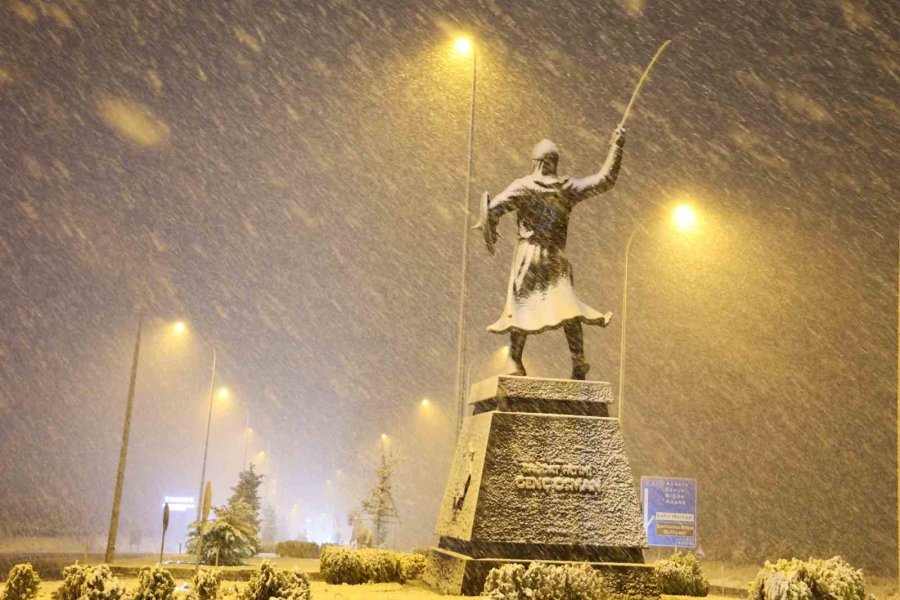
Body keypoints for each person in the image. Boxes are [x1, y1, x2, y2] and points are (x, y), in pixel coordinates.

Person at [475, 126, 625, 380]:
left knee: (521, 306)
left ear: (536, 162)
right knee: (569, 308)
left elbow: (493, 210)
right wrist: (617, 147)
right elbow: (605, 180)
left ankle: (514, 360)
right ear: (554, 163)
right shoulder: (567, 188)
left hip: (528, 255)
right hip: (556, 257)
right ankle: (578, 362)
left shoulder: (522, 187)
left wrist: (489, 227)